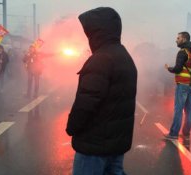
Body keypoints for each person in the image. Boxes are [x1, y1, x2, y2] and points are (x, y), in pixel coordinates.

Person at [66, 7, 137, 175]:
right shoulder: (123, 55)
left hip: (94, 144)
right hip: (115, 142)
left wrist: (72, 127)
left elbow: (87, 102)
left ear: (98, 32)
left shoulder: (100, 59)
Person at [164, 32, 191, 141]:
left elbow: (178, 69)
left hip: (183, 84)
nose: (176, 40)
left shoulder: (183, 52)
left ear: (184, 39)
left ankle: (174, 133)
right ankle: (186, 133)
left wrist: (169, 68)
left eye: (178, 38)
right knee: (189, 110)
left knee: (178, 109)